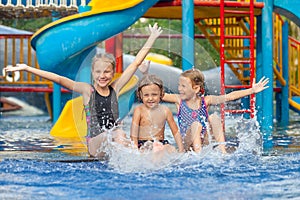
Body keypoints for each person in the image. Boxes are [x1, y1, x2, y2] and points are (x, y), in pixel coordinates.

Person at [4, 23, 163, 158]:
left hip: (111, 143)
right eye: (98, 72)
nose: (103, 76)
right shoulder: (88, 91)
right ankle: (135, 156)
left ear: (113, 73)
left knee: (123, 135)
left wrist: (152, 38)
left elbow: (135, 64)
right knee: (117, 133)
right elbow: (58, 79)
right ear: (93, 73)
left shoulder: (116, 88)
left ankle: (139, 157)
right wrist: (27, 68)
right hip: (94, 144)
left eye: (107, 72)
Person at [162, 68, 269, 153]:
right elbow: (158, 95)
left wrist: (252, 90)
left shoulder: (206, 100)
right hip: (187, 142)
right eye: (179, 85)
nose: (179, 89)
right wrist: (144, 72)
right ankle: (199, 157)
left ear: (196, 88)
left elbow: (229, 97)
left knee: (214, 117)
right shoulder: (179, 100)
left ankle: (223, 151)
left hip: (204, 140)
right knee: (196, 125)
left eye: (183, 86)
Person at [130, 74, 184, 153]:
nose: (150, 98)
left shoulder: (165, 111)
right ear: (140, 95)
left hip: (160, 142)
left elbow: (175, 131)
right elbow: (133, 133)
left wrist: (181, 149)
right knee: (153, 149)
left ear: (161, 94)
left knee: (171, 149)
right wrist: (135, 149)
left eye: (154, 95)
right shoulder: (139, 110)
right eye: (146, 95)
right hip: (143, 144)